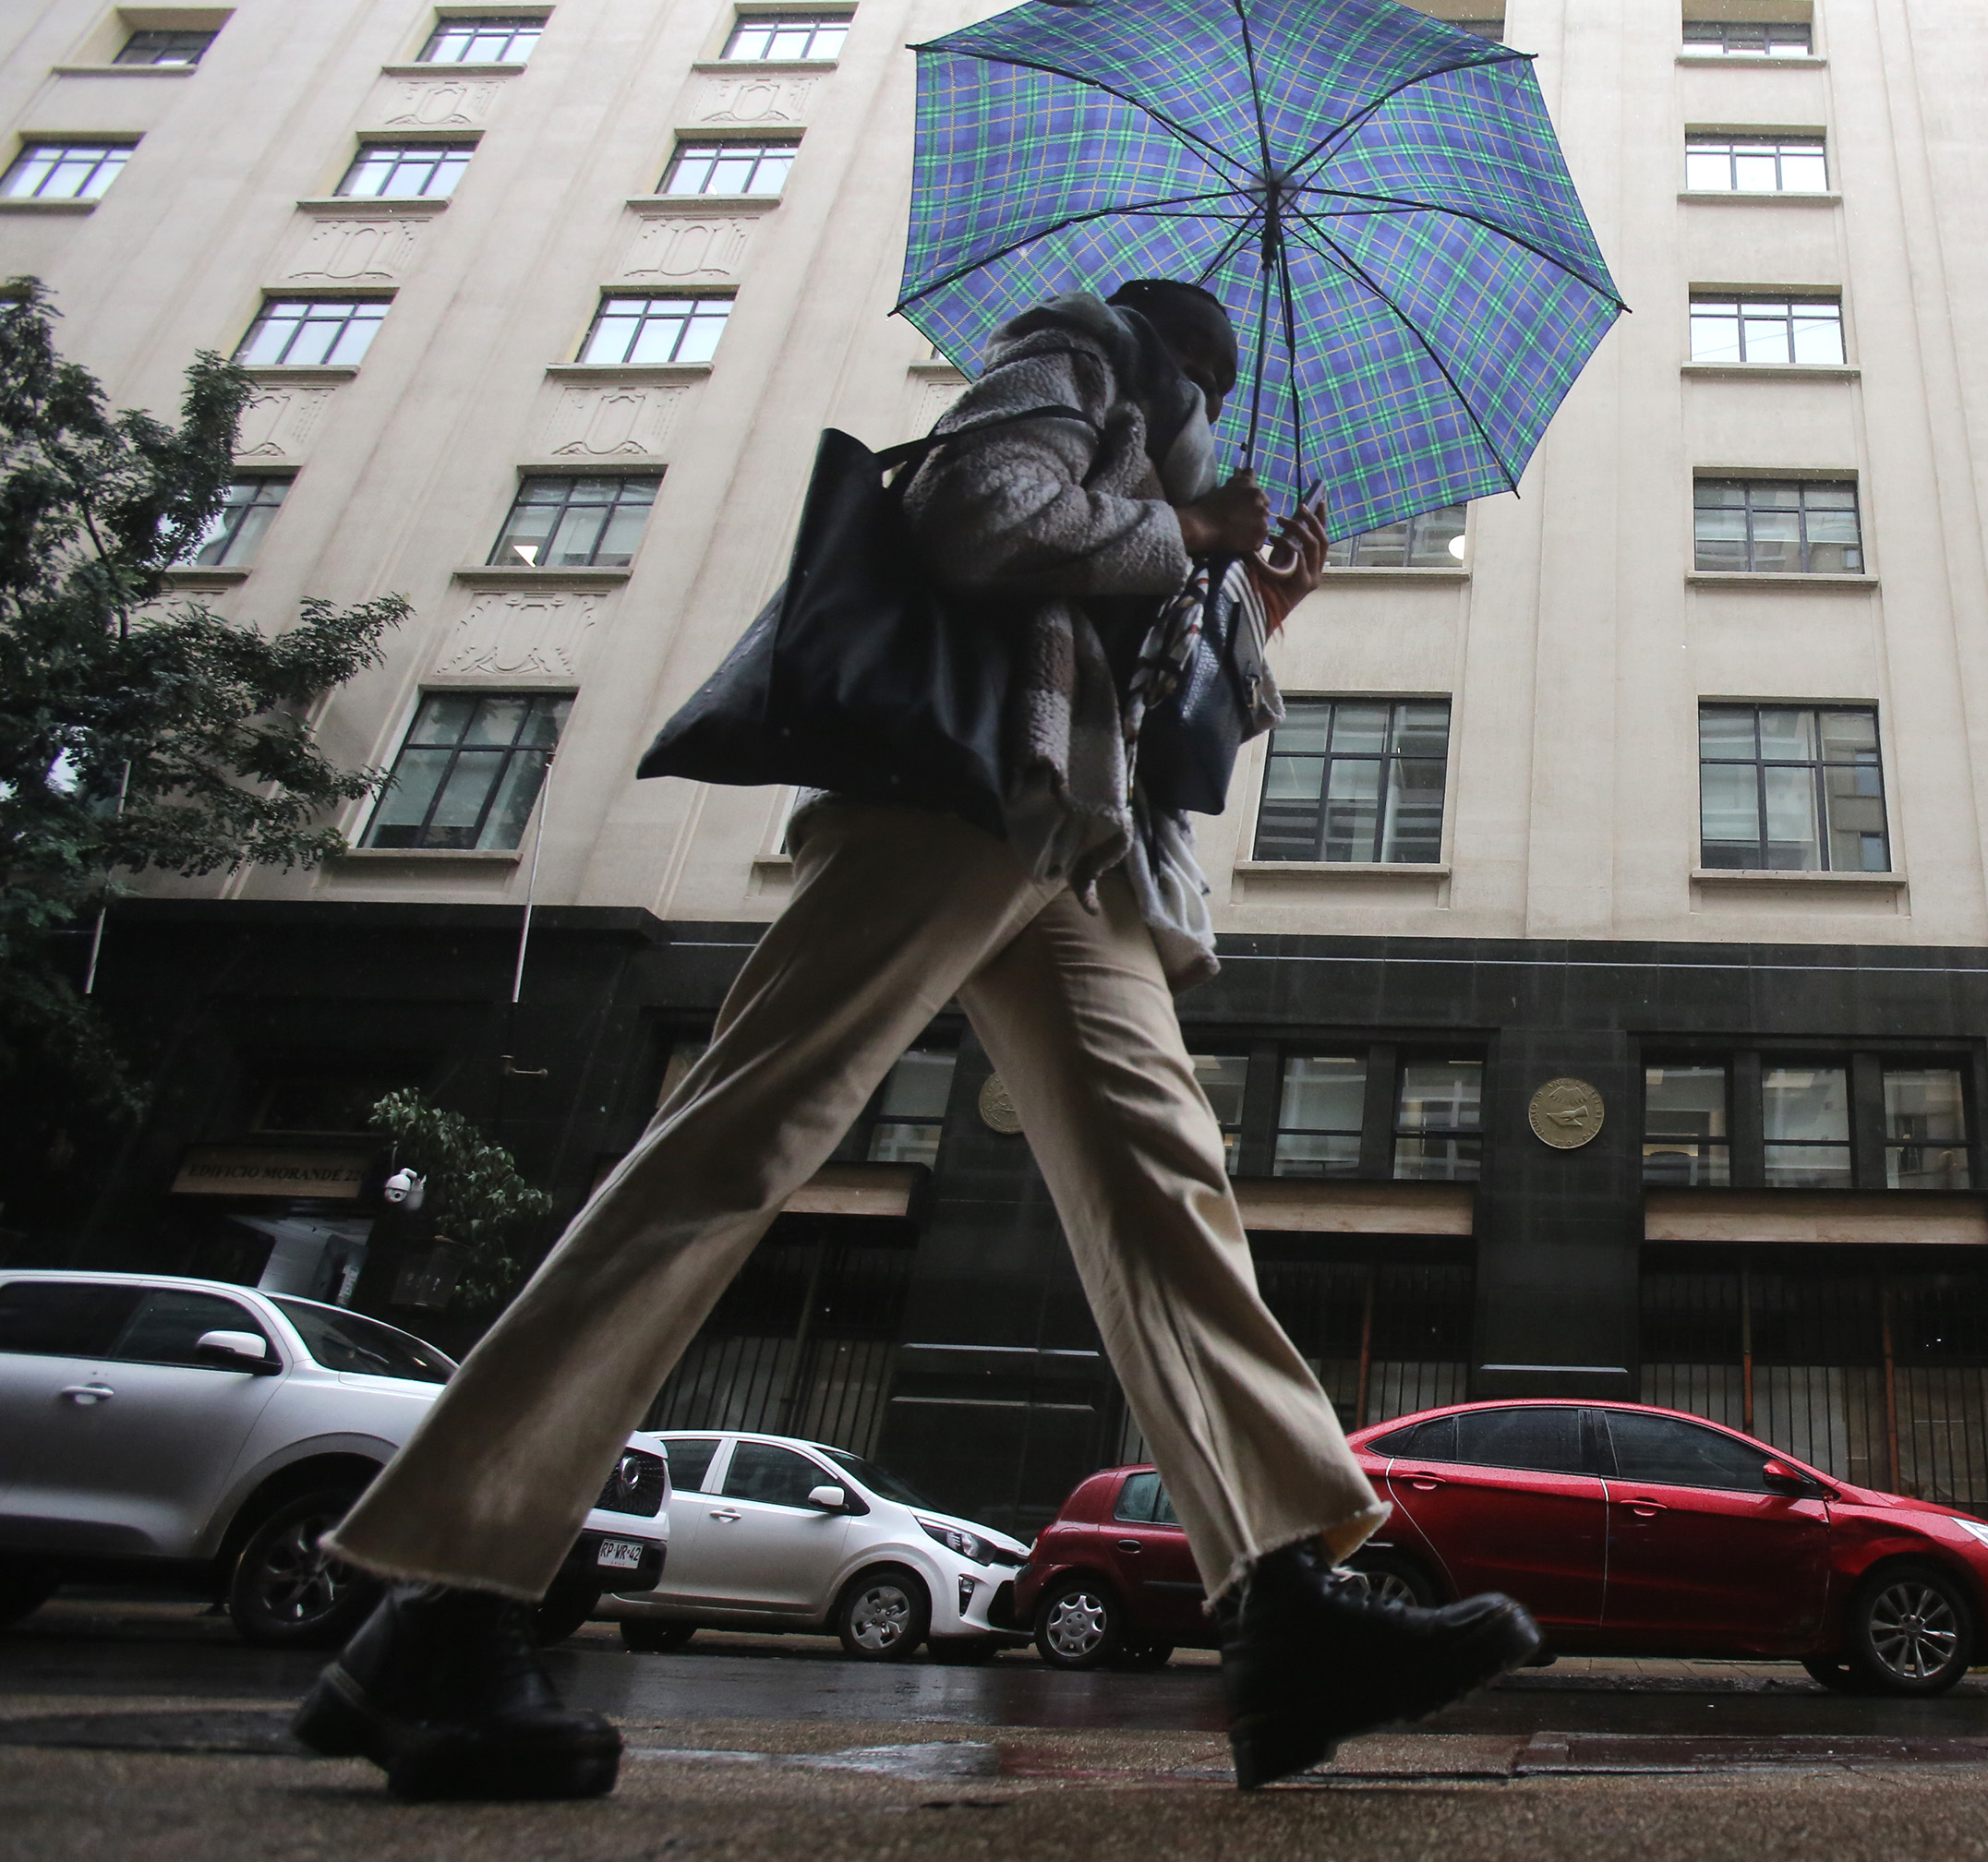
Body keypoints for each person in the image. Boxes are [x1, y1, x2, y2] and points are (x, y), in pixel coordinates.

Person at [292, 278, 1540, 1802]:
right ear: (1162, 297)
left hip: (1086, 852)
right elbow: (977, 514)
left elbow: (1171, 708)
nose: (1226, 342)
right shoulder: (1080, 347)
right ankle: (446, 1590)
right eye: (1206, 321)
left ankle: (1284, 1608)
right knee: (740, 1136)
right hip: (964, 796)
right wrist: (1190, 535)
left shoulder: (1188, 447)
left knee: (1171, 1193)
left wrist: (1255, 600)